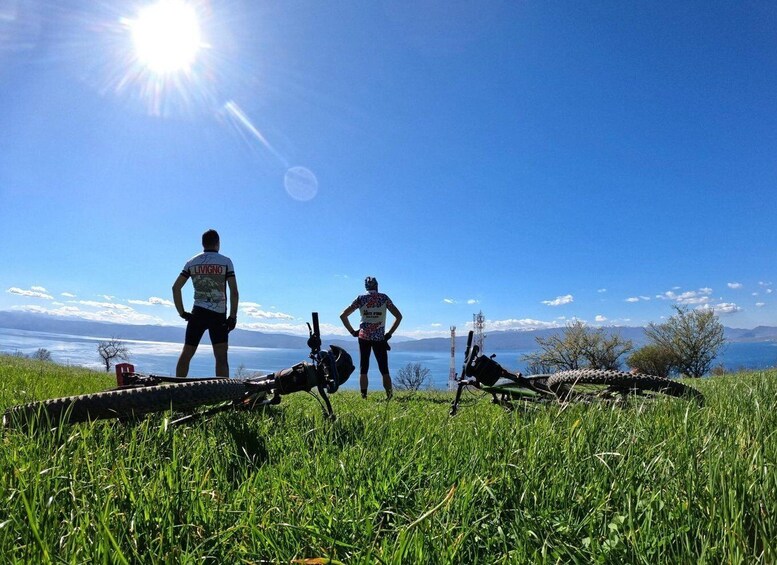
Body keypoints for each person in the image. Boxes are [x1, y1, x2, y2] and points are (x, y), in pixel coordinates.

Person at [172, 229, 239, 378]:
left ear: (203, 243)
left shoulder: (192, 262)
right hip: (219, 315)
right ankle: (222, 393)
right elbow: (234, 292)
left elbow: (176, 288)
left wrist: (182, 313)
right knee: (221, 357)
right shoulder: (226, 262)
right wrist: (233, 317)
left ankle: (176, 390)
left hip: (198, 313)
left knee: (187, 353)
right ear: (218, 243)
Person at [340, 276, 402, 399]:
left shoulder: (360, 298)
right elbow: (399, 316)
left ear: (366, 287)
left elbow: (343, 315)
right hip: (380, 338)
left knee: (363, 368)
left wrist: (352, 332)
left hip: (363, 337)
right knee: (384, 368)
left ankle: (364, 396)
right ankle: (389, 396)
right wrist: (388, 334)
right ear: (377, 286)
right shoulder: (384, 298)